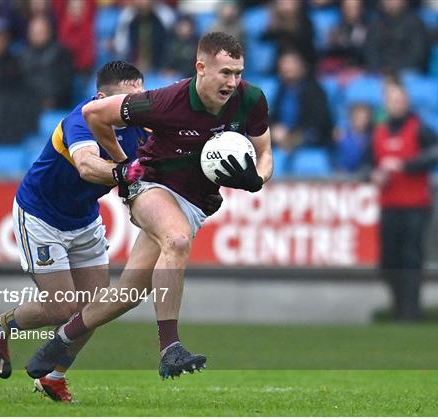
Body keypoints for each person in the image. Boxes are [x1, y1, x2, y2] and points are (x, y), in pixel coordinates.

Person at [26, 31, 273, 381]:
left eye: (238, 73)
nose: (233, 82)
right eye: (225, 73)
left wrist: (257, 179)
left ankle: (60, 341)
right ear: (201, 68)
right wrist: (124, 164)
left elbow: (265, 154)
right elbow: (95, 113)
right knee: (177, 239)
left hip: (194, 202)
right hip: (151, 185)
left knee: (128, 294)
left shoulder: (251, 100)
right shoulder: (166, 101)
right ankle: (170, 347)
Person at [0, 61, 150, 403]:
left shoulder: (141, 125)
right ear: (101, 98)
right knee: (61, 308)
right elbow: (87, 166)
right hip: (41, 216)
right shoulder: (80, 119)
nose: (135, 107)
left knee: (94, 308)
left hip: (84, 220)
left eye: (140, 99)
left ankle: (53, 378)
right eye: (128, 100)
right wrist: (126, 172)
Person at [364, 77, 438, 321]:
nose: (396, 104)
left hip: (416, 206)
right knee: (389, 260)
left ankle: (410, 310)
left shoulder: (420, 128)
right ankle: (398, 304)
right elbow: (366, 165)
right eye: (392, 100)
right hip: (389, 205)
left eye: (400, 99)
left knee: (411, 259)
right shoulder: (379, 132)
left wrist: (405, 165)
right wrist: (373, 175)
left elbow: (434, 156)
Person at [270, 49, 333, 159]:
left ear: (301, 66)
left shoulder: (315, 90)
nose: (287, 67)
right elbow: (272, 116)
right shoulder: (281, 90)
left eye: (291, 63)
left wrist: (293, 138)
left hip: (309, 140)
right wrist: (274, 129)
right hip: (282, 140)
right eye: (284, 63)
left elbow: (319, 123)